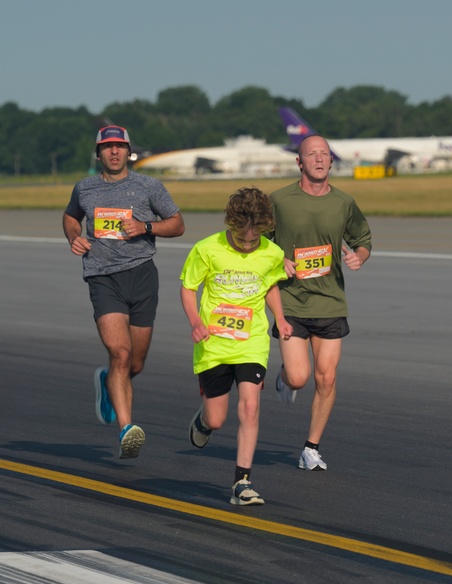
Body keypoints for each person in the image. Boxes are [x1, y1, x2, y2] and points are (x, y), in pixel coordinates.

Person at [62, 125, 185, 459]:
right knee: (120, 353)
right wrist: (74, 236)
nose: (114, 152)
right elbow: (71, 216)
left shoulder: (148, 186)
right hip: (103, 277)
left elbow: (177, 223)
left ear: (128, 151)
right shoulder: (84, 188)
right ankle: (127, 429)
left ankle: (107, 383)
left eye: (120, 147)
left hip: (142, 275)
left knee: (136, 362)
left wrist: (146, 226)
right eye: (107, 147)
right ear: (98, 153)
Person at [180, 187, 291, 506]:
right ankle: (203, 421)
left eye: (253, 240)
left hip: (251, 341)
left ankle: (242, 482)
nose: (247, 244)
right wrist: (195, 322)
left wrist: (280, 319)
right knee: (216, 419)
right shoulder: (206, 249)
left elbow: (269, 285)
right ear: (231, 224)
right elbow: (188, 288)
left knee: (250, 405)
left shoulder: (271, 252)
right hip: (213, 342)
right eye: (242, 238)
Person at [268, 134, 372, 471]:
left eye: (324, 154)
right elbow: (254, 242)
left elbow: (362, 238)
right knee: (300, 378)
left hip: (330, 301)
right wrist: (276, 261)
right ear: (299, 162)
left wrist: (359, 256)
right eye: (311, 154)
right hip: (291, 301)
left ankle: (311, 447)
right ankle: (283, 379)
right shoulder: (280, 200)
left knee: (326, 378)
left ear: (331, 161)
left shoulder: (343, 202)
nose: (318, 159)